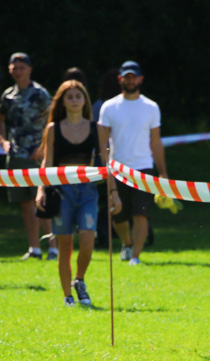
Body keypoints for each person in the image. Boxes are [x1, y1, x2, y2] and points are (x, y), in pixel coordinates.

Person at [36, 80, 120, 307]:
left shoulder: (97, 128)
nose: (74, 100)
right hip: (61, 190)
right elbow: (47, 161)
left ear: (85, 100)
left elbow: (106, 162)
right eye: (69, 96)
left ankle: (79, 280)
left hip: (88, 189)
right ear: (63, 101)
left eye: (78, 96)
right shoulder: (53, 128)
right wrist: (41, 189)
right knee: (64, 245)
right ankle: (67, 296)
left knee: (87, 239)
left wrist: (114, 193)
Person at [98, 60, 168, 266]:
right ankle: (127, 243)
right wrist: (105, 166)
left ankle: (136, 256)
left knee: (141, 214)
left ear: (140, 79)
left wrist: (163, 172)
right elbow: (103, 143)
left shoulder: (151, 107)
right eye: (126, 77)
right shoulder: (109, 107)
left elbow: (156, 141)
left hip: (143, 168)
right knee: (118, 216)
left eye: (133, 76)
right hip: (117, 168)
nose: (130, 80)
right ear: (120, 79)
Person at [0, 53, 57, 261]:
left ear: (30, 69)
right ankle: (34, 248)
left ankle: (53, 247)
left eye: (22, 67)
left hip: (38, 156)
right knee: (26, 204)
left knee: (42, 201)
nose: (18, 71)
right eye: (14, 67)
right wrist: (3, 141)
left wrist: (43, 146)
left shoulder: (40, 94)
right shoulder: (8, 95)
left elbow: (52, 120)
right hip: (17, 156)